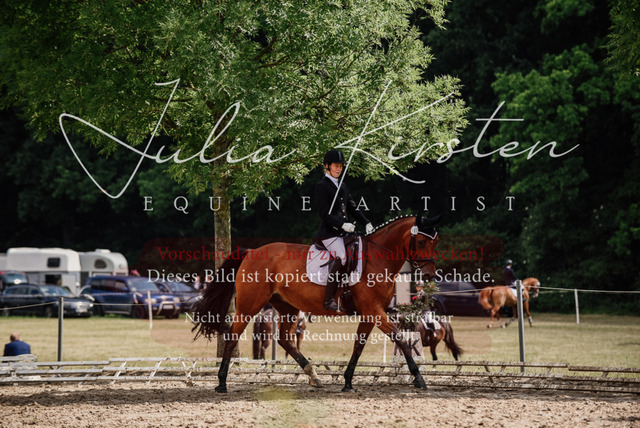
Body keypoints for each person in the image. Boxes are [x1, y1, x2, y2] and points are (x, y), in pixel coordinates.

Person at [315, 149, 373, 311]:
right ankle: (329, 300)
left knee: (358, 253)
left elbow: (352, 208)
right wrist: (341, 225)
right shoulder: (321, 186)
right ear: (327, 166)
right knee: (341, 257)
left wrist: (366, 222)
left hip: (345, 233)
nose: (339, 169)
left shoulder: (343, 186)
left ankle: (348, 294)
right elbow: (324, 213)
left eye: (341, 166)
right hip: (329, 234)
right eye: (336, 166)